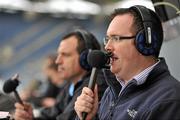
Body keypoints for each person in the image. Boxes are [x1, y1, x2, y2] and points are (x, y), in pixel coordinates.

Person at [74, 5, 180, 120]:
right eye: (107, 39)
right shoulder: (112, 90)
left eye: (116, 38)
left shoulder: (168, 100)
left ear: (144, 43)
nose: (107, 47)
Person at [14, 29, 109, 120]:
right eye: (58, 55)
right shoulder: (71, 84)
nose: (57, 61)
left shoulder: (95, 84)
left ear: (85, 58)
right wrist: (31, 117)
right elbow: (54, 113)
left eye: (65, 55)